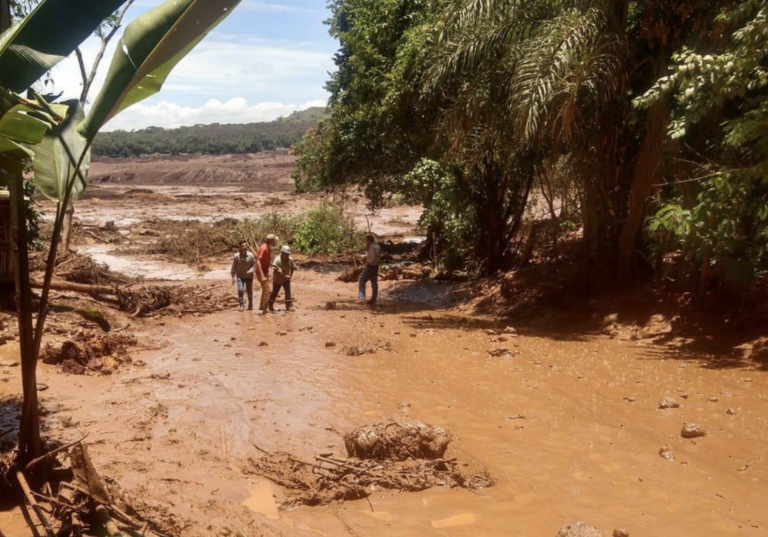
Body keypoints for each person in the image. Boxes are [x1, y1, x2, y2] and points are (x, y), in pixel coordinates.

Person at [269, 245, 296, 312]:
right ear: (282, 253)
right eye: (285, 254)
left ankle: (288, 307)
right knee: (275, 293)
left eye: (288, 254)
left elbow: (292, 268)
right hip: (277, 279)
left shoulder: (290, 260)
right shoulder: (277, 260)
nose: (287, 256)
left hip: (286, 279)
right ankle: (270, 305)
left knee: (288, 292)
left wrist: (290, 275)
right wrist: (282, 274)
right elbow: (275, 269)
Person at [230, 240, 256, 310]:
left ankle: (250, 304)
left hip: (249, 276)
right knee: (241, 290)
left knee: (249, 291)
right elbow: (234, 267)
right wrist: (233, 277)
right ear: (240, 247)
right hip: (240, 276)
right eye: (243, 246)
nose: (244, 247)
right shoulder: (236, 256)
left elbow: (254, 265)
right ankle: (241, 304)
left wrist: (250, 271)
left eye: (245, 245)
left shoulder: (250, 255)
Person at [256, 234, 277, 314]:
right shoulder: (263, 248)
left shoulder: (268, 248)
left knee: (265, 290)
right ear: (272, 241)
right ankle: (265, 309)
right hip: (261, 273)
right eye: (274, 240)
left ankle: (262, 306)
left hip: (265, 272)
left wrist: (272, 265)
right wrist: (261, 275)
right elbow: (258, 261)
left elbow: (265, 260)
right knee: (268, 291)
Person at [358, 234, 381, 306]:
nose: (365, 242)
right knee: (374, 283)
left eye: (366, 241)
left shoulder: (372, 248)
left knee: (362, 280)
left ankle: (361, 298)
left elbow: (372, 259)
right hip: (376, 266)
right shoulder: (377, 246)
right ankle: (373, 299)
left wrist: (366, 259)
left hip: (371, 266)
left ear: (369, 241)